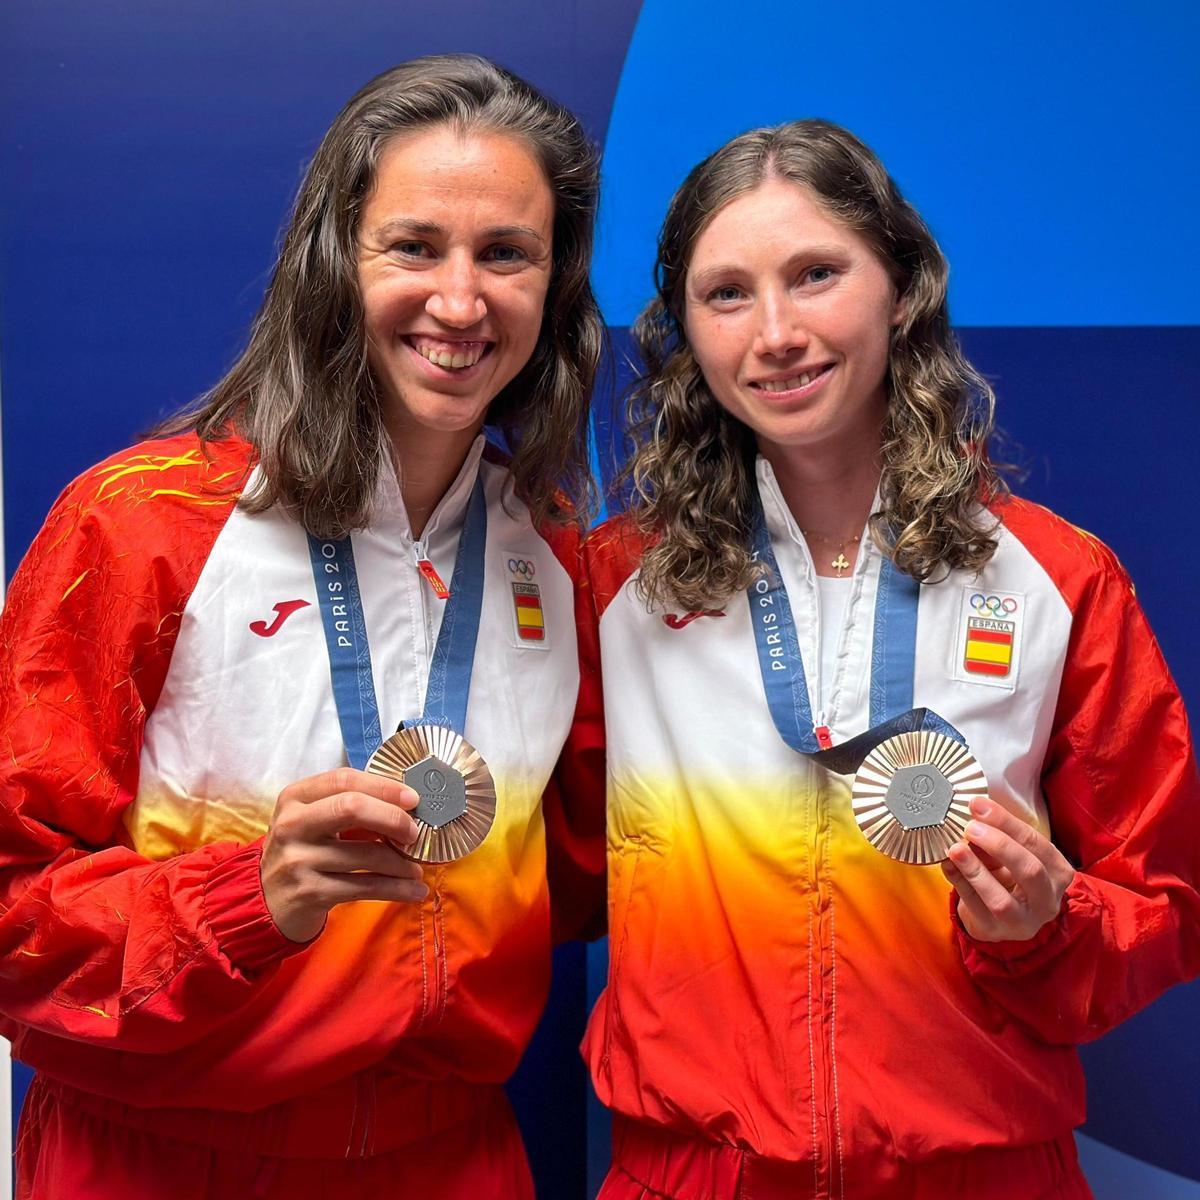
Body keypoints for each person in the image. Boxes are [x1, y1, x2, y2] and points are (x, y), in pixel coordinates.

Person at [0, 54, 605, 1199]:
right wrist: (246, 899)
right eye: (415, 246)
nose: (462, 301)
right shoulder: (144, 524)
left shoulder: (551, 542)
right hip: (160, 1160)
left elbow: (577, 876)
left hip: (451, 1155)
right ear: (336, 259)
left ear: (556, 284)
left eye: (506, 254)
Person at [582, 119, 1200, 1199]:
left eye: (816, 274)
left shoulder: (1058, 579)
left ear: (902, 284)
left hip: (982, 1172)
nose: (775, 332)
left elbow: (1165, 907)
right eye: (727, 293)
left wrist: (1050, 928)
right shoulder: (613, 586)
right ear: (685, 327)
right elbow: (553, 869)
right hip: (697, 1174)